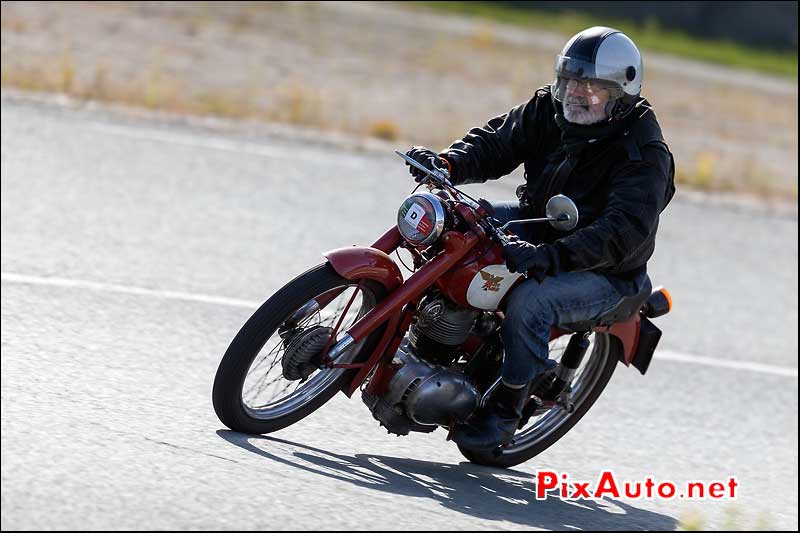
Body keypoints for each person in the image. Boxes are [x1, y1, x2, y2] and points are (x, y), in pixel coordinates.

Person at [404, 27, 675, 451]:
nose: (576, 93)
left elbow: (620, 234)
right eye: (569, 80)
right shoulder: (551, 107)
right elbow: (498, 142)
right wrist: (448, 163)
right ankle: (426, 331)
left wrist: (550, 257)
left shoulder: (644, 154)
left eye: (592, 86)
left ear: (620, 93)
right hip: (542, 224)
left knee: (532, 301)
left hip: (605, 270)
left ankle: (507, 407)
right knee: (460, 222)